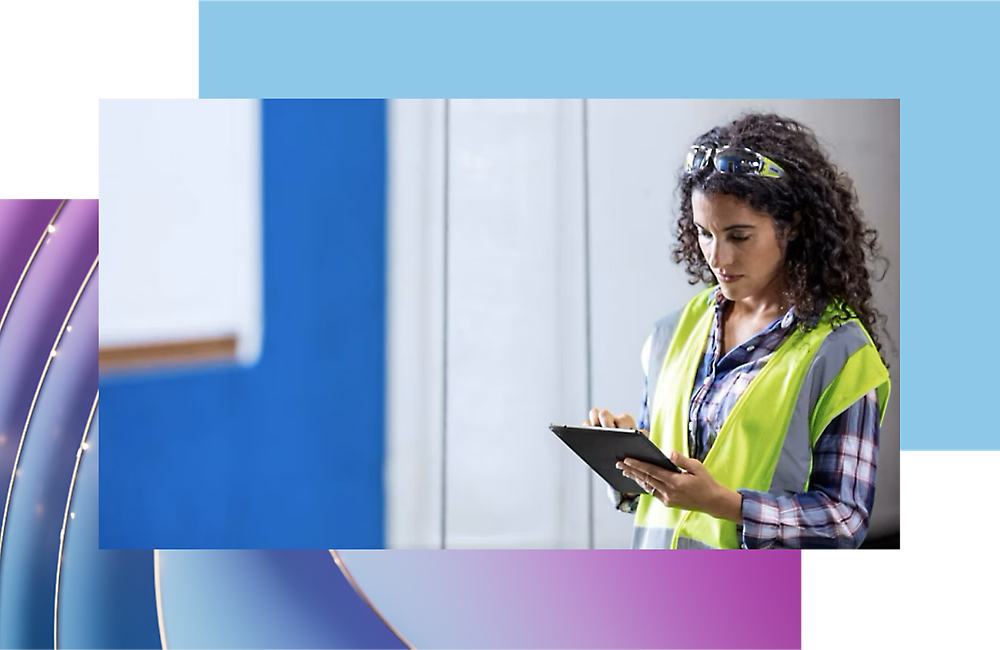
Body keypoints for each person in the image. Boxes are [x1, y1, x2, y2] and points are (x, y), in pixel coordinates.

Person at [586, 113, 892, 550]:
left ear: (793, 226)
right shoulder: (672, 332)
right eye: (704, 233)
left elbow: (843, 521)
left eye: (739, 236)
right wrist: (634, 465)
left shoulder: (840, 352)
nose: (717, 256)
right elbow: (657, 501)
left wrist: (727, 504)